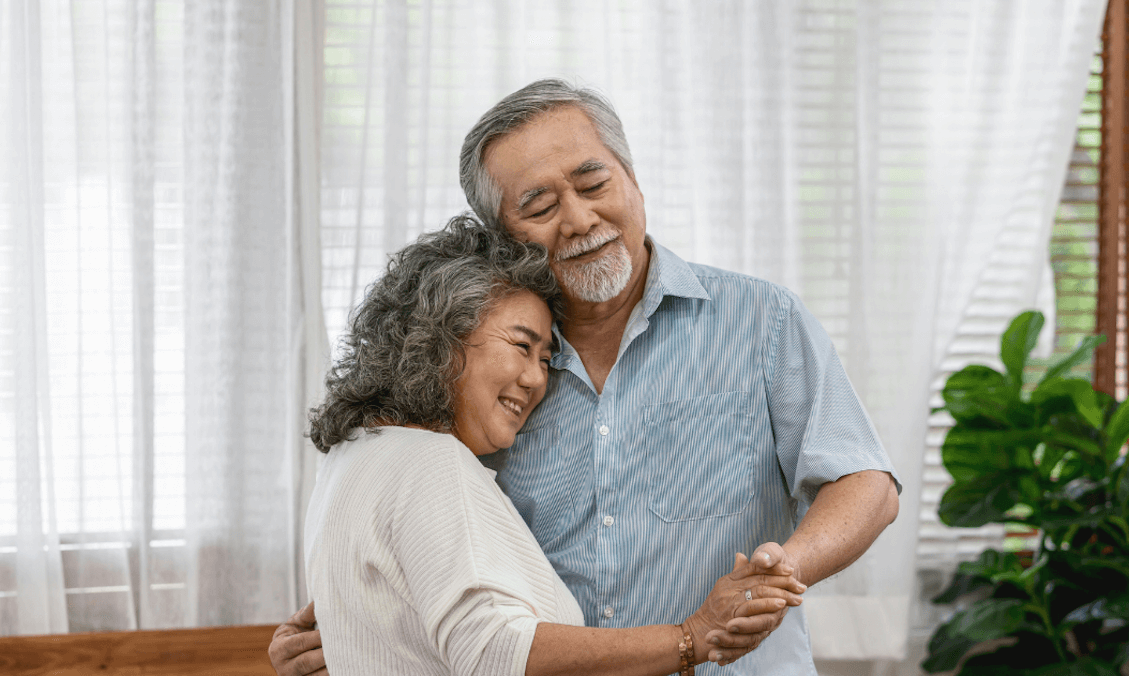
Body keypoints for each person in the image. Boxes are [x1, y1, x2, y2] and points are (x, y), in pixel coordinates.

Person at [272, 81, 902, 675]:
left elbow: (866, 481)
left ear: (633, 181)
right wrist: (361, 620)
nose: (577, 219)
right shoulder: (484, 377)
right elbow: (433, 540)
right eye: (539, 205)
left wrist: (781, 569)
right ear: (502, 238)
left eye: (593, 182)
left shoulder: (761, 319)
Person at [291, 215, 806, 676]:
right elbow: (494, 652)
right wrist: (691, 637)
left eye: (546, 358)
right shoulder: (430, 463)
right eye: (522, 346)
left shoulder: (354, 455)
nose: (538, 379)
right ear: (439, 337)